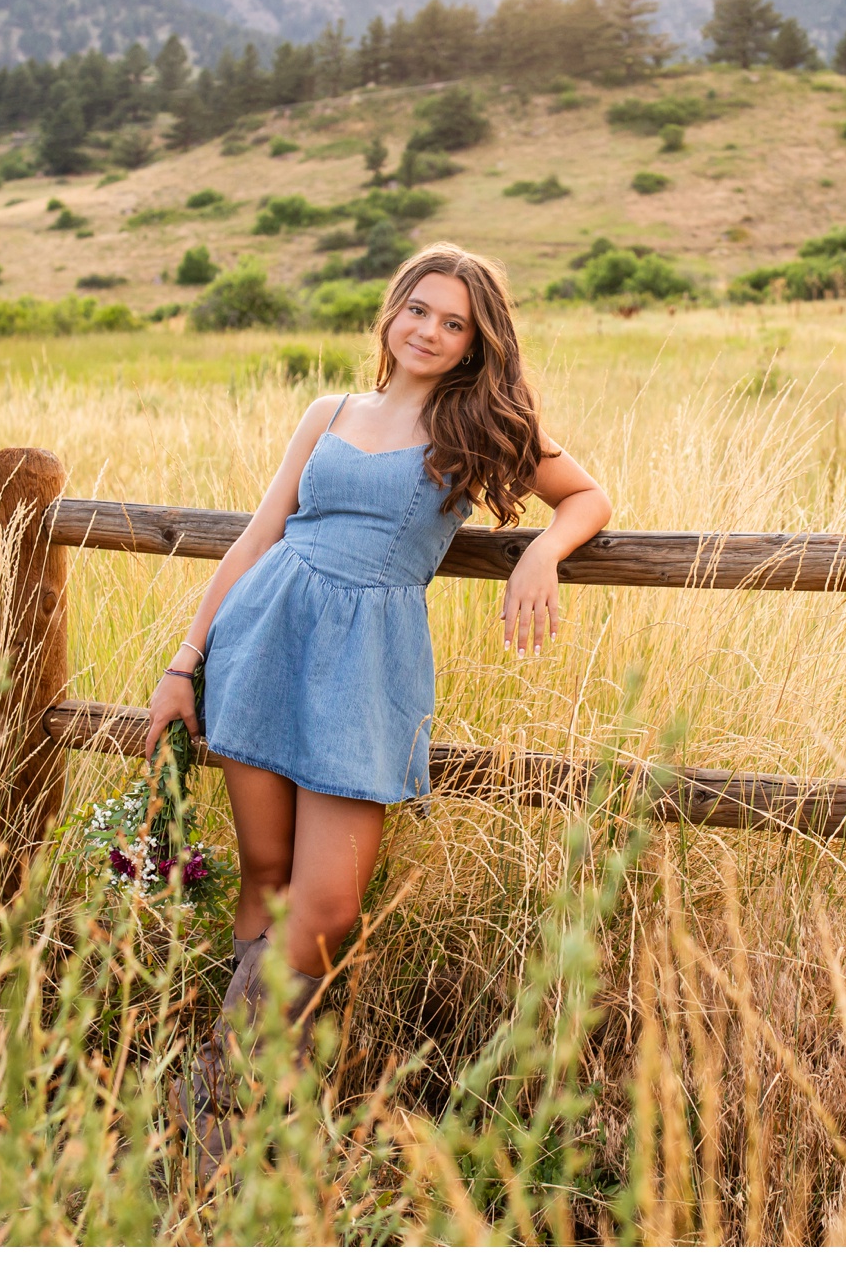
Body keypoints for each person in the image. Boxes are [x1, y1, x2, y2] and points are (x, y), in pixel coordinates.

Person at [144, 242, 611, 1102]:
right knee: (266, 877)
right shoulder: (329, 410)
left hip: (368, 665)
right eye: (418, 310)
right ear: (392, 312)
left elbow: (587, 496)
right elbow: (259, 536)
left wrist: (542, 555)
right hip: (264, 638)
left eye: (453, 323)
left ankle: (213, 1088)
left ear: (476, 343)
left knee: (324, 909)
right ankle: (265, 1103)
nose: (429, 331)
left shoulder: (481, 426)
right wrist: (186, 662)